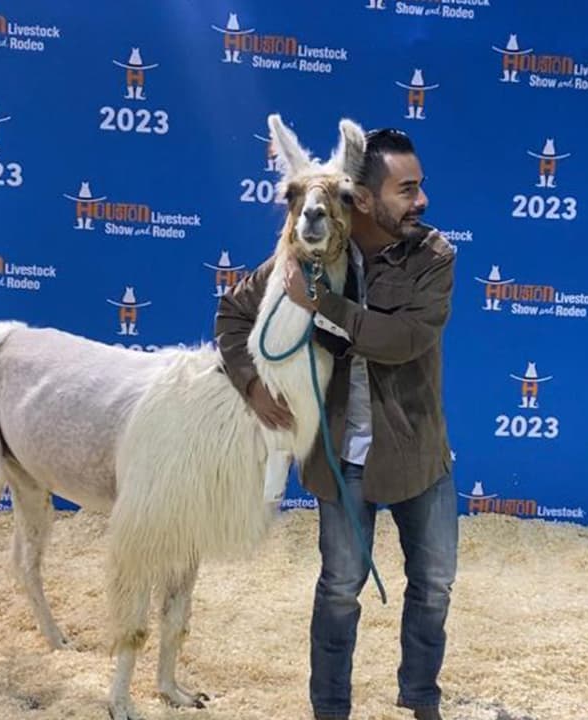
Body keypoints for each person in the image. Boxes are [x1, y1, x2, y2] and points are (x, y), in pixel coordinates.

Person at [214, 127, 458, 720]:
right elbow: (233, 313)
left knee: (433, 584)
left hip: (415, 453)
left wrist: (322, 302)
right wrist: (249, 383)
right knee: (339, 589)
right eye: (407, 190)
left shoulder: (432, 257)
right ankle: (330, 708)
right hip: (339, 456)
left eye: (419, 188)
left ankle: (420, 697)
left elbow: (400, 341)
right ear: (366, 198)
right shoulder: (302, 256)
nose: (420, 201)